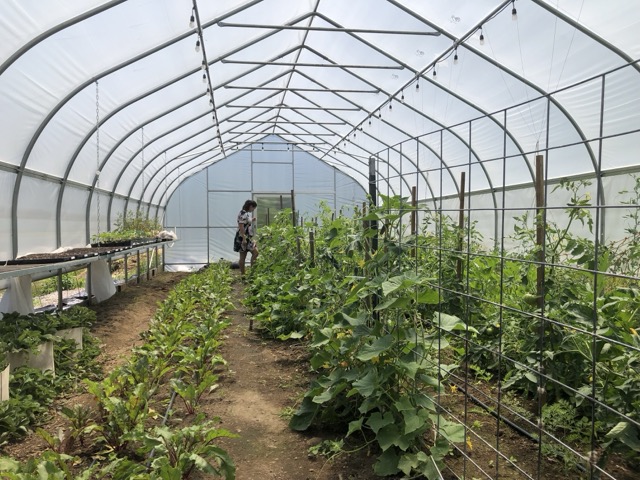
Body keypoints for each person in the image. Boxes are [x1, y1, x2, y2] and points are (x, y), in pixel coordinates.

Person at [234, 200, 258, 275]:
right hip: (242, 237)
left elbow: (245, 222)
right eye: (253, 208)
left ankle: (251, 273)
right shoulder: (243, 214)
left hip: (247, 237)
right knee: (244, 256)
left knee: (255, 253)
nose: (253, 210)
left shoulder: (245, 214)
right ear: (250, 206)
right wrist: (244, 239)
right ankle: (244, 275)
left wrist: (252, 219)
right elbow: (241, 227)